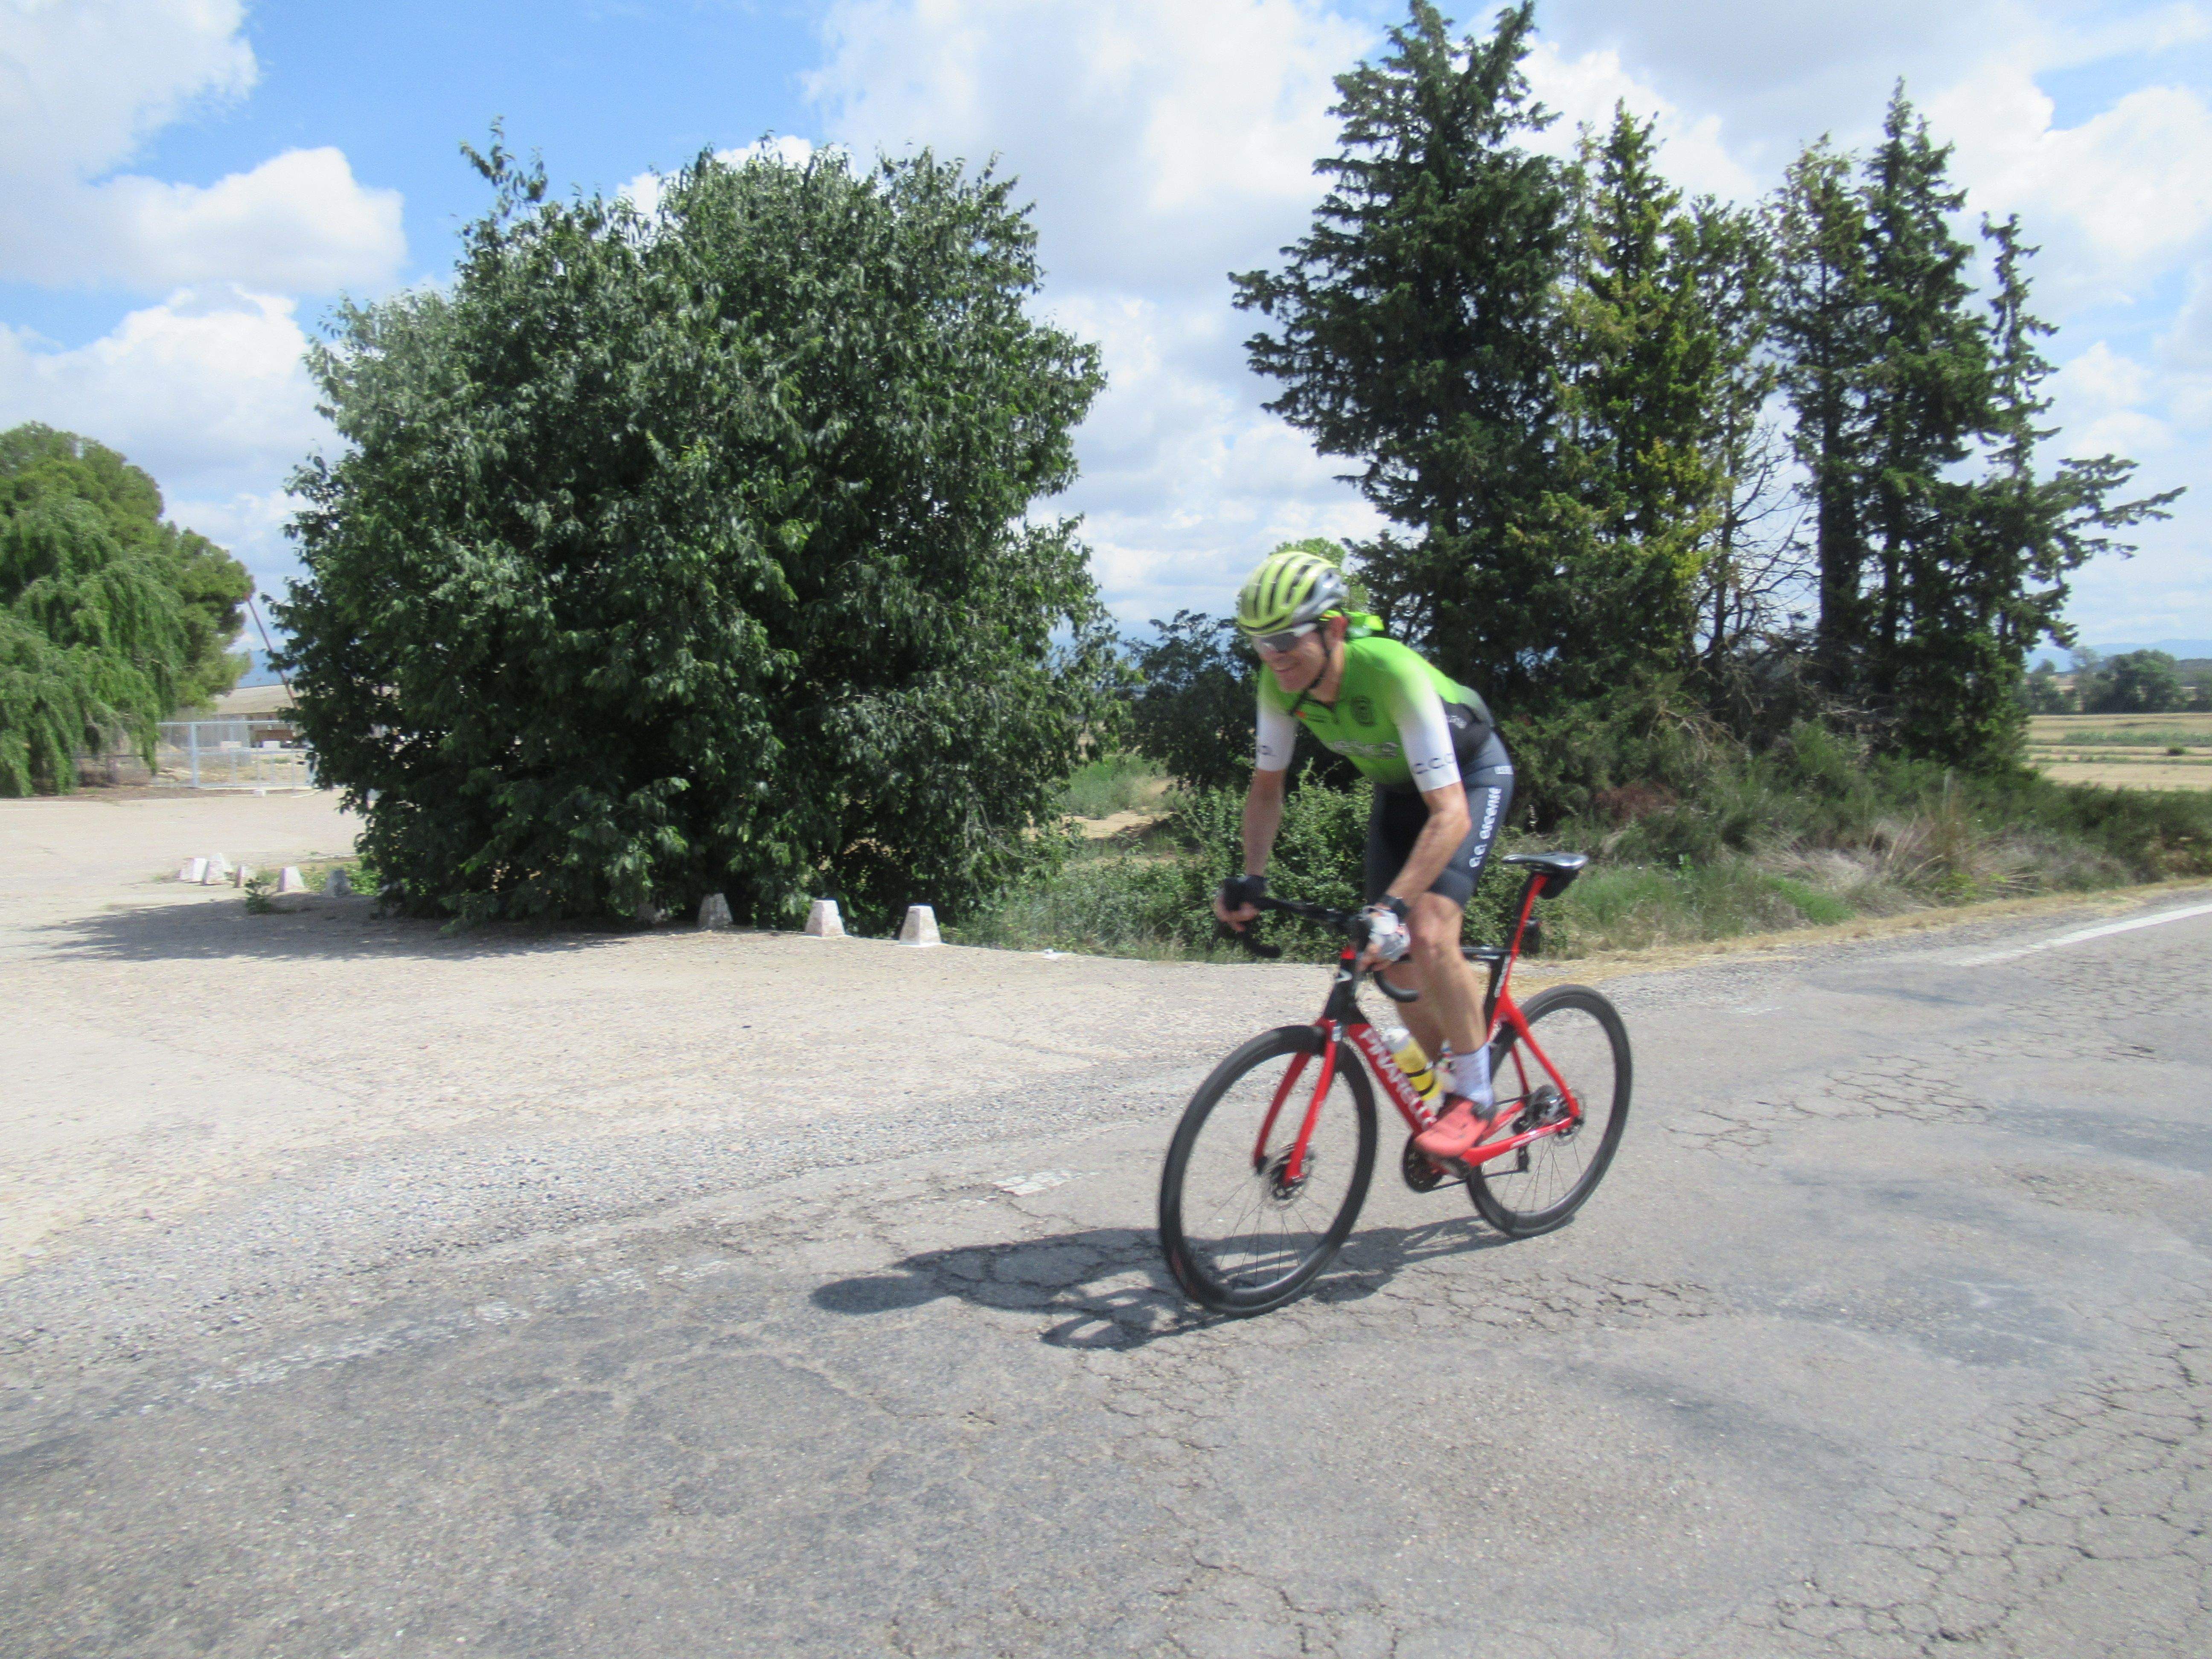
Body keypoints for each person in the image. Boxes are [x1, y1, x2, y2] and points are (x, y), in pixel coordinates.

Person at [1210, 547, 1514, 1162]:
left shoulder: (1390, 673)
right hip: (1402, 793)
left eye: (1288, 638)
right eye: (1259, 642)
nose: (1274, 656)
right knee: (1390, 962)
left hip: (1470, 780)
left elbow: (1451, 812)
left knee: (1426, 930)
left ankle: (1476, 1097)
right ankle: (1448, 1085)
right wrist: (1251, 876)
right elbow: (1268, 786)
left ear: (1335, 628)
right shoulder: (1279, 682)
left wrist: (1395, 905)